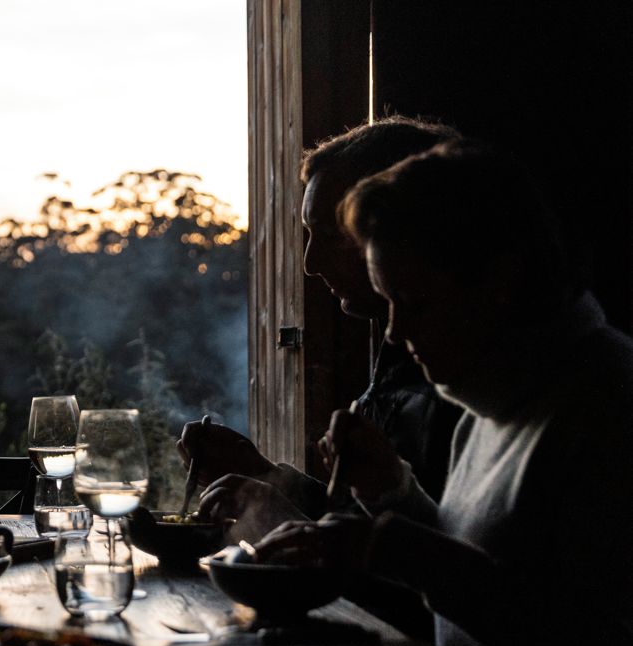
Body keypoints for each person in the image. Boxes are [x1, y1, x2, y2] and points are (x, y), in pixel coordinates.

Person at [255, 141, 633, 646]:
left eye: (415, 304)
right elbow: (483, 566)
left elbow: (592, 641)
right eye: (388, 303)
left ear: (500, 282)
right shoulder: (493, 395)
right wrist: (395, 494)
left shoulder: (606, 403)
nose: (394, 331)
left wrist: (385, 548)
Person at [186, 117, 466, 536]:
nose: (310, 264)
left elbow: (440, 561)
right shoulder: (398, 349)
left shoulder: (470, 376)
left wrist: (286, 519)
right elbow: (382, 516)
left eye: (333, 236)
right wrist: (264, 475)